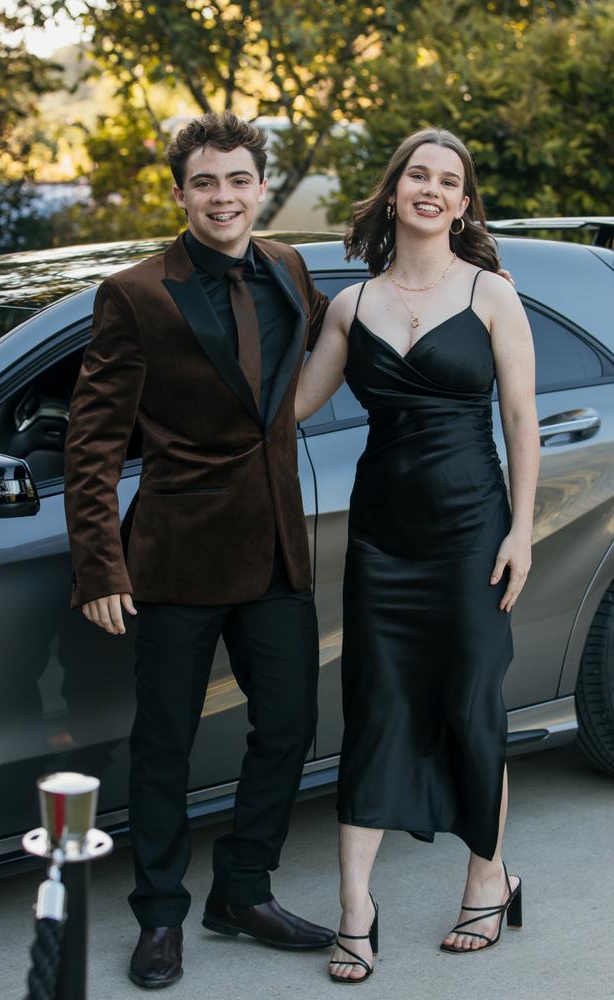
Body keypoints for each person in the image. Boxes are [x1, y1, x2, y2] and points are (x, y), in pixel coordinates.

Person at [64, 111, 336, 990]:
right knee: (165, 747)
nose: (223, 196)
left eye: (238, 180)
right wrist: (101, 564)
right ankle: (160, 917)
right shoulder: (136, 293)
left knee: (290, 726)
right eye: (205, 183)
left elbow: (347, 340)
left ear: (261, 187)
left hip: (278, 559)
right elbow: (92, 443)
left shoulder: (291, 269)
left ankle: (243, 889)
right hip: (175, 561)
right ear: (181, 193)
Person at [295, 127, 539, 983]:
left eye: (449, 181)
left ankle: (487, 878)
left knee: (472, 702)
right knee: (377, 705)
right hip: (384, 539)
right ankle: (355, 908)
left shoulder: (492, 295)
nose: (431, 190)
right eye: (418, 176)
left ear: (463, 204)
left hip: (474, 530)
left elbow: (520, 422)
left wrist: (522, 531)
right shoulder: (351, 308)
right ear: (395, 190)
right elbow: (286, 409)